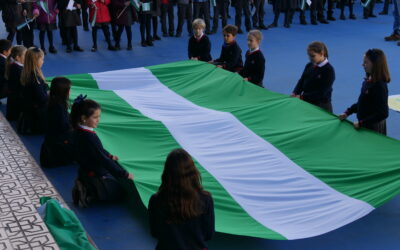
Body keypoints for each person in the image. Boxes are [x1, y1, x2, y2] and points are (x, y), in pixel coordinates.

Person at [71, 96, 134, 207]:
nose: (98, 120)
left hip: (85, 169)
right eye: (95, 117)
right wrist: (123, 173)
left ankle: (87, 184)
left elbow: (98, 151)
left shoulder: (79, 130)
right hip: (94, 173)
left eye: (99, 116)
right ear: (84, 118)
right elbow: (102, 159)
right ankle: (89, 192)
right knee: (120, 194)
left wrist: (109, 155)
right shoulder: (89, 136)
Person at [148, 148, 215, 250]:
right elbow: (208, 234)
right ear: (192, 172)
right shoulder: (206, 199)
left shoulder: (156, 200)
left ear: (167, 172)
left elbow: (155, 232)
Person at [339, 49, 390, 135]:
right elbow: (363, 102)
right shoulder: (368, 80)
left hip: (373, 128)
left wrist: (362, 123)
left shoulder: (379, 86)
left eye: (366, 62)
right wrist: (348, 112)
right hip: (366, 124)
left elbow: (383, 113)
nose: (362, 65)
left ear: (375, 64)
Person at [40, 77, 75, 167]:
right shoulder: (59, 108)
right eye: (69, 89)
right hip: (56, 150)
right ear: (64, 92)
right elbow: (65, 128)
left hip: (50, 144)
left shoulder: (52, 102)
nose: (70, 92)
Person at [292, 41, 335, 112]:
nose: (310, 58)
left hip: (321, 107)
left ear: (321, 54)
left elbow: (321, 93)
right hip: (307, 103)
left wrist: (302, 97)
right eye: (309, 55)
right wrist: (295, 92)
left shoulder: (329, 71)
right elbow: (302, 80)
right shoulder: (309, 65)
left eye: (313, 56)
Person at [18, 47, 49, 134]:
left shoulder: (26, 73)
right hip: (36, 116)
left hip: (29, 110)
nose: (43, 61)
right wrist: (51, 95)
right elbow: (42, 99)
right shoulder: (35, 79)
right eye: (42, 59)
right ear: (36, 61)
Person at [4, 45, 26, 121]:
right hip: (17, 98)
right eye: (25, 55)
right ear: (17, 57)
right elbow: (22, 84)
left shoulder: (16, 66)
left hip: (15, 96)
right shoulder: (17, 68)